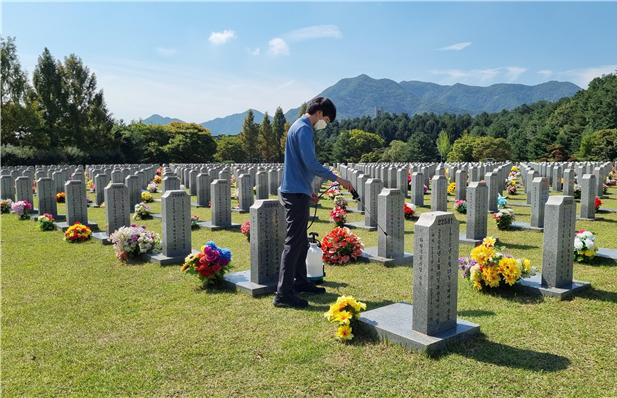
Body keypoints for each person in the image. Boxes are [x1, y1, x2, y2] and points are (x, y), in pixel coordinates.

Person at [274, 97, 353, 309]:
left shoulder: (297, 126)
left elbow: (300, 165)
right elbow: (311, 163)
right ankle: (283, 293)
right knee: (293, 242)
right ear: (319, 113)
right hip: (294, 193)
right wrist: (339, 179)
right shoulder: (304, 129)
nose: (324, 124)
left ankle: (300, 281)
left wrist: (309, 190)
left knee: (299, 240)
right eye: (326, 120)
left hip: (298, 190)